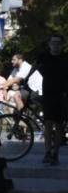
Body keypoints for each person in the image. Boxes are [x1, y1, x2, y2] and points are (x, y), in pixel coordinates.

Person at [26, 35, 68, 165]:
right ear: (49, 44)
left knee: (59, 124)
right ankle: (47, 152)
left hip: (62, 94)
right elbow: (34, 67)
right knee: (48, 124)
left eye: (58, 43)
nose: (56, 46)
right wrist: (25, 80)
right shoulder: (43, 57)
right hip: (48, 94)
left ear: (61, 45)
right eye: (53, 43)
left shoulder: (65, 58)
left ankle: (55, 153)